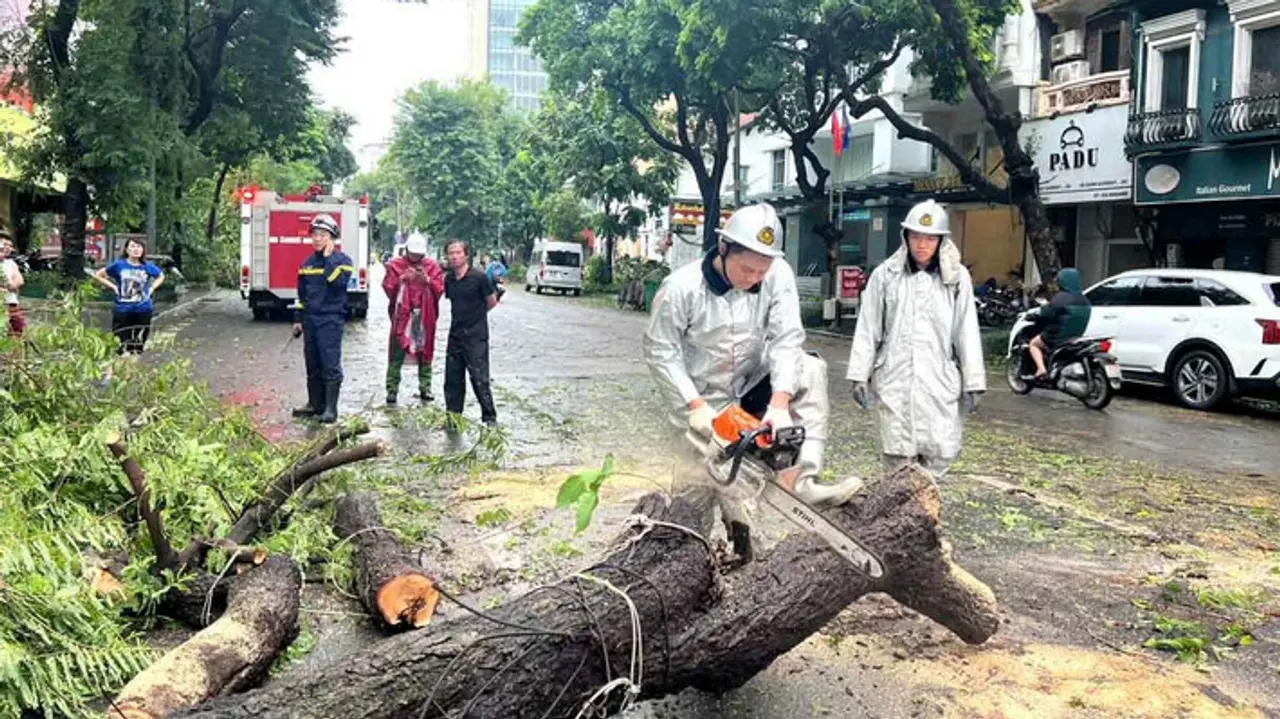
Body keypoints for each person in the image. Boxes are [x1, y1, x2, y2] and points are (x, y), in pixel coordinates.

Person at [644, 202, 863, 563]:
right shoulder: (681, 288)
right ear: (724, 248)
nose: (754, 278)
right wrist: (694, 407)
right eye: (747, 269)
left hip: (749, 389)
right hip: (700, 403)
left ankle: (800, 482)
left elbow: (786, 339)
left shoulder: (776, 277)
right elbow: (660, 352)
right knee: (694, 507)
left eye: (762, 271)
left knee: (809, 369)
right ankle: (705, 551)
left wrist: (779, 404)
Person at [846, 199, 985, 478]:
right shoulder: (886, 275)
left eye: (930, 239)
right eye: (916, 237)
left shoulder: (957, 279)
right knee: (898, 459)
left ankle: (926, 516)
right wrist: (859, 374)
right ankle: (898, 517)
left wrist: (974, 381)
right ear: (906, 237)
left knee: (939, 451)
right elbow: (868, 326)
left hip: (940, 377)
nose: (922, 245)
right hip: (896, 374)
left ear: (941, 242)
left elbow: (966, 330)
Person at [291, 214, 353, 424]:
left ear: (332, 238)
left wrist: (328, 259)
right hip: (310, 320)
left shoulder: (343, 262)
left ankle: (330, 409)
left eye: (322, 235)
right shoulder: (306, 263)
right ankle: (314, 404)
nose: (317, 239)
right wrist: (298, 319)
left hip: (331, 320)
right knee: (312, 363)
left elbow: (337, 284)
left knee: (329, 363)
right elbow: (301, 295)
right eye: (314, 235)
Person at [383, 231, 444, 405]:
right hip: (402, 316)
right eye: (413, 253)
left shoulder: (432, 267)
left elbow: (439, 289)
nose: (416, 257)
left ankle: (426, 387)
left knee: (425, 351)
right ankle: (392, 389)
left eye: (419, 254)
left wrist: (428, 281)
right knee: (396, 351)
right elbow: (388, 288)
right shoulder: (395, 265)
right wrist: (402, 279)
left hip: (423, 315)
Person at [444, 239, 499, 426]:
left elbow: (491, 301)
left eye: (458, 252)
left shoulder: (479, 277)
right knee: (452, 379)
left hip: (476, 336)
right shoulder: (449, 279)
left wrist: (476, 318)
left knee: (479, 378)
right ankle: (453, 417)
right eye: (451, 253)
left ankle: (489, 417)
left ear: (466, 255)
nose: (454, 256)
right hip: (455, 335)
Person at [94, 239, 165, 355]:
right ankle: (120, 361)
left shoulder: (147, 266)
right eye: (132, 246)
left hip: (143, 308)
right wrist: (114, 287)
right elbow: (99, 275)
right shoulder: (119, 265)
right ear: (126, 249)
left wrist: (152, 288)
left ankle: (134, 362)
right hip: (123, 307)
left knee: (138, 341)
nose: (136, 249)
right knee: (120, 339)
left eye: (139, 247)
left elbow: (161, 276)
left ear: (143, 250)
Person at [1028, 267, 1091, 379]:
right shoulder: (1084, 300)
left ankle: (1041, 369)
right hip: (1076, 337)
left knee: (1033, 344)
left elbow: (1046, 314)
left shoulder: (1061, 298)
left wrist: (1036, 315)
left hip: (1057, 337)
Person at [0, 234, 25, 336]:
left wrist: (9, 285)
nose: (7, 248)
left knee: (18, 329)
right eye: (4, 245)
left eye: (10, 246)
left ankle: (16, 351)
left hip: (11, 302)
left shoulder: (11, 263)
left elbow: (19, 280)